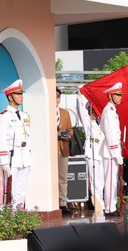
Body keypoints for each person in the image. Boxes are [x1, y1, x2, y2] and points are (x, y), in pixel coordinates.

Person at [0, 79, 32, 209]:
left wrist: (29, 154)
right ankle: (10, 219)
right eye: (18, 94)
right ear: (10, 96)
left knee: (21, 191)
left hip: (24, 157)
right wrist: (4, 161)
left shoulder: (24, 115)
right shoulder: (4, 116)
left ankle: (19, 217)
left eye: (22, 93)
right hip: (12, 157)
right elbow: (0, 139)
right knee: (10, 191)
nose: (21, 96)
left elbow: (27, 137)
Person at [78, 98, 106, 217]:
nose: (94, 113)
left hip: (101, 153)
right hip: (92, 152)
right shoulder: (87, 122)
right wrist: (80, 95)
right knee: (94, 181)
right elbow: (80, 109)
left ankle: (101, 203)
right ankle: (98, 204)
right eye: (92, 111)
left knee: (101, 181)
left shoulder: (100, 123)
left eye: (95, 111)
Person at [100, 82, 124, 217]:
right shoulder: (108, 112)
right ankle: (109, 208)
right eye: (117, 95)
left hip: (113, 151)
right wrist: (116, 153)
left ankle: (111, 205)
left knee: (114, 180)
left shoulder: (112, 111)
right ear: (110, 96)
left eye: (120, 95)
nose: (120, 97)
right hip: (110, 152)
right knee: (110, 181)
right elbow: (110, 134)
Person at [56, 87, 74, 216]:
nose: (57, 100)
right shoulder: (45, 111)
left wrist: (68, 135)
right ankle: (52, 202)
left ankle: (62, 202)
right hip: (51, 149)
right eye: (55, 97)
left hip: (63, 147)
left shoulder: (65, 113)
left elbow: (70, 129)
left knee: (63, 177)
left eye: (58, 97)